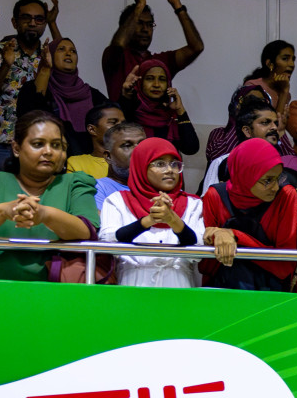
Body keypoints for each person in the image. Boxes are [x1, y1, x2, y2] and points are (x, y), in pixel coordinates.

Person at [0, 110, 98, 281]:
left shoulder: (75, 183)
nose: (49, 151)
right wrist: (4, 211)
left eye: (56, 145)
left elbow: (87, 232)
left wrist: (44, 214)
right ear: (16, 148)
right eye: (38, 144)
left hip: (59, 293)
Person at [200, 137, 297, 292]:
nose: (275, 187)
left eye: (279, 177)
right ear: (245, 175)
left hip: (270, 294)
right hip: (223, 292)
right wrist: (215, 237)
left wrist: (233, 235)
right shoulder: (215, 196)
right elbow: (207, 266)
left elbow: (284, 267)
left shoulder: (285, 196)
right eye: (268, 180)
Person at [98, 137, 205, 288]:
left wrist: (173, 221)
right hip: (132, 285)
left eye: (175, 164)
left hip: (178, 285)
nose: (170, 170)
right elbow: (108, 240)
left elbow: (199, 247)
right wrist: (148, 221)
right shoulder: (117, 201)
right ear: (141, 166)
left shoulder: (193, 204)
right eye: (160, 164)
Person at [0, 0, 51, 169]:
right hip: (3, 144)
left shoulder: (49, 55)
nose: (33, 23)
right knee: (4, 195)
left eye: (39, 19)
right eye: (26, 17)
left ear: (44, 24)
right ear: (14, 22)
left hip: (40, 143)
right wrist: (6, 65)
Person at [102, 0, 205, 97]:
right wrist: (139, 5)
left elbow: (196, 47)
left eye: (150, 24)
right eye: (139, 23)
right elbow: (118, 45)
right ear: (126, 26)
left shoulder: (160, 61)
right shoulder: (116, 58)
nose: (145, 29)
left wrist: (178, 7)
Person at [18, 37, 108, 156]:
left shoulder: (91, 93)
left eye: (73, 51)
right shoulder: (33, 89)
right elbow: (30, 118)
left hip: (89, 165)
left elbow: (112, 120)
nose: (68, 53)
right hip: (50, 160)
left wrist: (126, 96)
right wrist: (45, 69)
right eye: (61, 49)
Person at [118, 58, 199, 154]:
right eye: (149, 78)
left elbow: (191, 149)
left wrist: (180, 110)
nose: (156, 84)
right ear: (140, 82)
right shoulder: (130, 110)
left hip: (167, 168)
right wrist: (126, 96)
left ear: (168, 84)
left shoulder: (170, 115)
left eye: (162, 79)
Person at [95, 122, 148, 210]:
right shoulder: (97, 189)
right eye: (127, 146)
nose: (138, 151)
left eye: (143, 144)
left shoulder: (161, 185)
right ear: (108, 156)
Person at [64, 103, 125, 178]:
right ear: (92, 129)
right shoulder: (77, 163)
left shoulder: (132, 159)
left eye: (123, 123)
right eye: (113, 122)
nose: (121, 127)